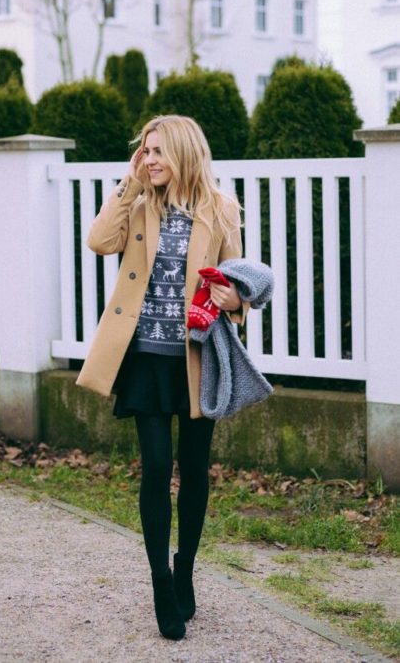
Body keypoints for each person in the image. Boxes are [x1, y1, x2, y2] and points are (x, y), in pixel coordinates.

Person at [76, 115, 248, 640]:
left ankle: (186, 570)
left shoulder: (221, 209)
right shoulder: (139, 204)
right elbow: (99, 241)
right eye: (144, 151)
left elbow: (237, 279)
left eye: (157, 152)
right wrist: (128, 185)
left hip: (197, 357)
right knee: (155, 466)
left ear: (184, 154)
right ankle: (159, 584)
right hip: (146, 357)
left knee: (194, 469)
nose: (149, 159)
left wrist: (235, 300)